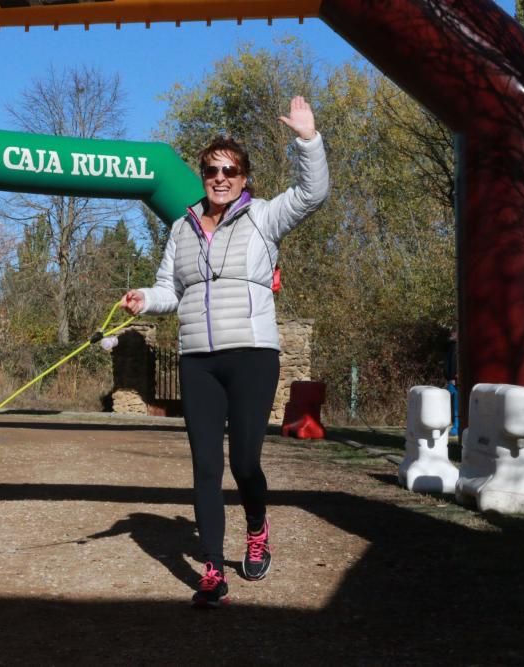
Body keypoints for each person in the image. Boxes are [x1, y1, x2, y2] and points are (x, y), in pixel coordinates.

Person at [120, 96, 329, 608]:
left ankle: (256, 527)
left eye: (230, 170)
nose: (220, 178)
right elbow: (174, 290)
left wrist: (308, 140)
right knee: (205, 466)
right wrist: (146, 298)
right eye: (212, 170)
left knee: (245, 464)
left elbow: (312, 192)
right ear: (202, 175)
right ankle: (212, 569)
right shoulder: (182, 228)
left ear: (243, 177)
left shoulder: (263, 218)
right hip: (198, 360)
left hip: (252, 355)